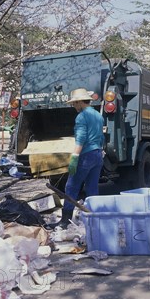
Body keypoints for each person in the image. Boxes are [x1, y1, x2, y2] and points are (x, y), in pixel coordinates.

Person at [52, 87, 104, 229]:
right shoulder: (98, 115)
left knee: (72, 186)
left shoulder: (81, 116)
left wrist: (74, 157)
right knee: (92, 188)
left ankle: (65, 220)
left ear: (81, 102)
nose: (73, 106)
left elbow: (80, 138)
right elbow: (101, 136)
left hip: (86, 155)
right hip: (98, 154)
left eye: (75, 103)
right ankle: (95, 218)